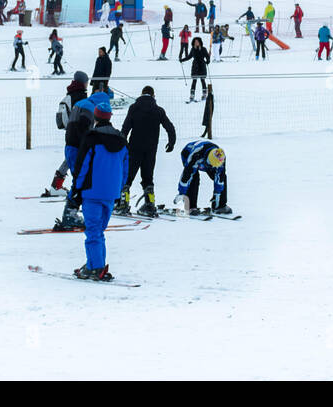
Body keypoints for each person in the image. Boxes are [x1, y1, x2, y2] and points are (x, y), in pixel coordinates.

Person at [71, 95, 129, 281]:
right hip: (111, 193)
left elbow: (82, 167)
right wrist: (119, 190)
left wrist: (76, 189)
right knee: (98, 231)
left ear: (96, 117)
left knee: (93, 231)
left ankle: (95, 267)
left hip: (92, 192)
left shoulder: (91, 138)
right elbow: (125, 169)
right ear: (110, 117)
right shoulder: (121, 141)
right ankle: (95, 264)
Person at [116, 86, 177, 217]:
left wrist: (122, 143)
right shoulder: (158, 110)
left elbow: (126, 127)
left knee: (128, 176)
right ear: (153, 95)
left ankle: (123, 203)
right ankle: (149, 204)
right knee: (148, 177)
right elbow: (170, 127)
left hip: (134, 148)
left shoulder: (134, 108)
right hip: (150, 149)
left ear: (142, 94)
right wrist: (171, 142)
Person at [47, 71, 89, 196]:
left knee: (70, 158)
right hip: (79, 132)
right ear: (83, 82)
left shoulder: (70, 93)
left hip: (70, 132)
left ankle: (56, 185)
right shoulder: (81, 96)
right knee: (78, 160)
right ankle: (79, 188)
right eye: (86, 81)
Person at [175, 139, 230, 214]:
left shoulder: (221, 157)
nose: (212, 166)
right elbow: (187, 175)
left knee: (222, 177)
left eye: (215, 165)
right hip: (188, 153)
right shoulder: (196, 155)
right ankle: (191, 207)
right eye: (212, 164)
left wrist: (217, 194)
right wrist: (181, 192)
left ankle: (220, 206)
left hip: (206, 159)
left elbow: (220, 177)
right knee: (194, 177)